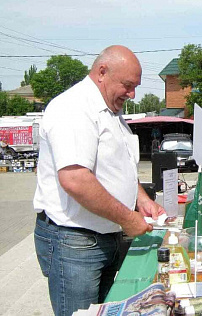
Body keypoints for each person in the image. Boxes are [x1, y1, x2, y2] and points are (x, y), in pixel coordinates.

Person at [33, 45, 165, 316]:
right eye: (128, 85)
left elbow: (117, 166)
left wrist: (140, 199)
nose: (132, 94)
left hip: (100, 238)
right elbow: (75, 179)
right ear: (102, 72)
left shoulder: (109, 110)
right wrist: (128, 219)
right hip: (75, 242)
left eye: (135, 86)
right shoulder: (73, 108)